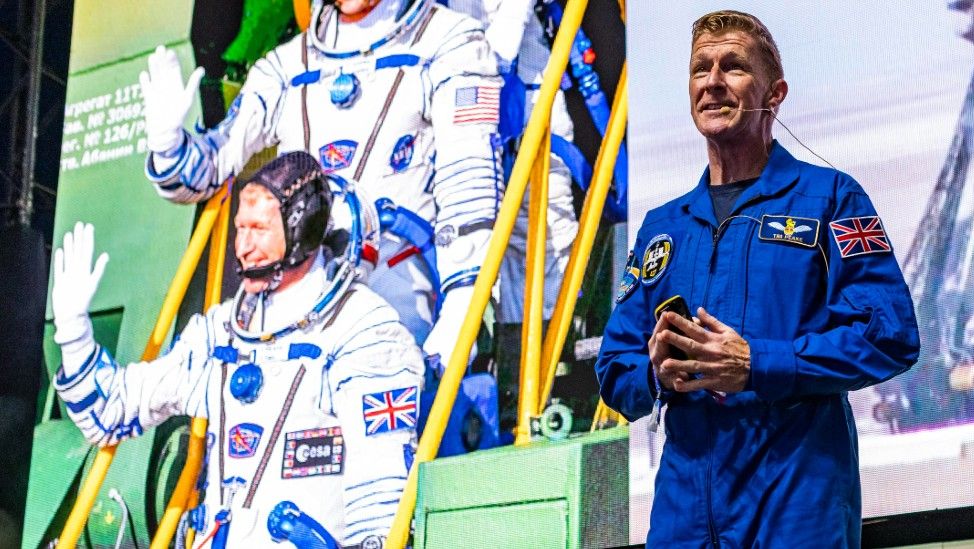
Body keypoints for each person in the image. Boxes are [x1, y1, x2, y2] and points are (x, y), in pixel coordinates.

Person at [595, 10, 920, 548]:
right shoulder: (663, 228)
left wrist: (756, 364)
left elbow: (889, 335)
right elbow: (615, 366)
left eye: (734, 67)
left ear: (775, 93)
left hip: (797, 509)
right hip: (684, 519)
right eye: (700, 69)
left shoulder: (832, 199)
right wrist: (657, 375)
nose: (713, 82)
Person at [51, 152, 425, 547]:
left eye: (259, 229)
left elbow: (381, 503)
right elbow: (110, 412)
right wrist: (74, 334)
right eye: (240, 229)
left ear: (304, 230)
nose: (242, 247)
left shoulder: (362, 331)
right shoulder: (219, 334)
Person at [139, 0, 502, 368]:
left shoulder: (450, 43)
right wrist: (168, 147)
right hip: (296, 294)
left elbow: (469, 187)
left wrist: (462, 305)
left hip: (397, 290)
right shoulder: (285, 68)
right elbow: (206, 172)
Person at [438, 0, 579, 436]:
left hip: (526, 110)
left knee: (544, 254)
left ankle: (553, 393)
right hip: (461, 119)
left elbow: (494, 52)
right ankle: (509, 399)